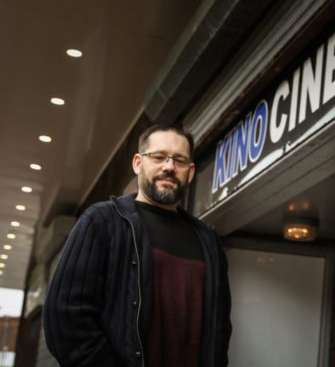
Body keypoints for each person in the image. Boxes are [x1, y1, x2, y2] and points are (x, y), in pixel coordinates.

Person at [44, 124, 232, 367]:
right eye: (159, 157)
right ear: (137, 163)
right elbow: (66, 319)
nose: (169, 167)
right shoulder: (102, 222)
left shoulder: (209, 242)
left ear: (191, 172)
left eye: (179, 160)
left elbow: (220, 329)